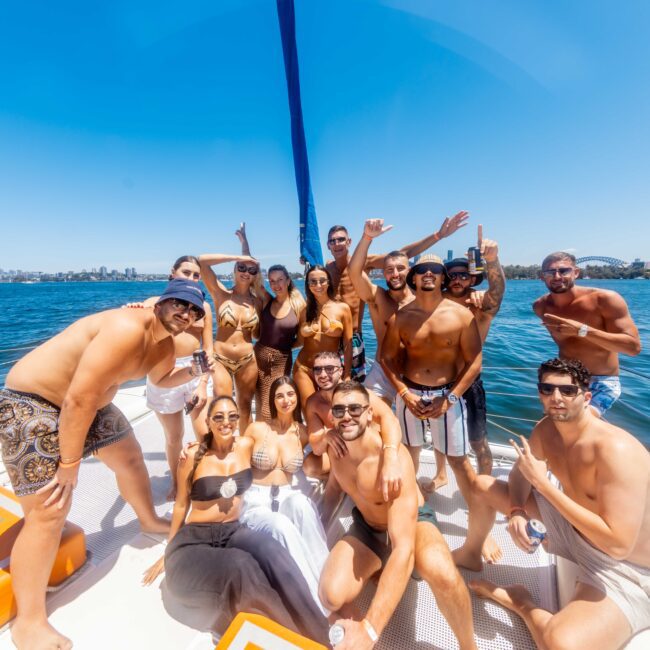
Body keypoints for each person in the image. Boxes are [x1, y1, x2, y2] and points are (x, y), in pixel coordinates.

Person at [0, 278, 208, 650]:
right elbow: (78, 398)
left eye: (194, 309)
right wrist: (70, 461)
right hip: (35, 402)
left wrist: (194, 370)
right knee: (50, 509)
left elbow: (160, 380)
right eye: (180, 303)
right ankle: (29, 623)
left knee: (129, 457)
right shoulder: (127, 328)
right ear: (160, 302)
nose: (187, 313)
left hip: (89, 404)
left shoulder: (164, 345)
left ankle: (147, 519)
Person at [454, 358, 650, 649]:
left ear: (586, 397)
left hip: (626, 568)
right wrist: (517, 511)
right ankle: (471, 554)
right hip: (574, 531)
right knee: (483, 485)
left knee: (560, 644)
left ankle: (522, 603)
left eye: (567, 391)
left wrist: (544, 485)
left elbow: (618, 544)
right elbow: (520, 476)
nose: (556, 397)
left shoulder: (616, 450)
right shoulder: (546, 430)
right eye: (548, 389)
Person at [142, 395, 328, 643]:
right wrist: (168, 550)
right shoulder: (193, 455)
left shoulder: (245, 446)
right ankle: (293, 642)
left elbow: (283, 434)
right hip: (194, 541)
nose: (225, 422)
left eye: (232, 416)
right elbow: (180, 507)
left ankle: (323, 636)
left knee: (273, 549)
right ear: (208, 421)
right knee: (241, 566)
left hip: (233, 531)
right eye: (218, 417)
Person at [319, 381, 478, 650]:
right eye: (339, 410)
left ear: (370, 413)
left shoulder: (392, 458)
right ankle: (376, 570)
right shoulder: (337, 448)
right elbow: (334, 490)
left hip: (411, 524)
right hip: (369, 527)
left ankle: (469, 646)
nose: (347, 416)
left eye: (355, 409)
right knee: (331, 596)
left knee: (443, 574)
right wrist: (315, 529)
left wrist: (371, 629)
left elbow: (403, 547)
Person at [381, 254, 501, 564]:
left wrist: (449, 398)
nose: (429, 274)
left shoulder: (461, 316)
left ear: (443, 278)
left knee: (461, 464)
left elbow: (475, 362)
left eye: (436, 270)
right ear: (414, 278)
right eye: (422, 270)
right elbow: (386, 359)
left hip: (448, 396)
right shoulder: (401, 317)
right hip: (410, 394)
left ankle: (478, 539)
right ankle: (404, 524)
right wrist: (404, 393)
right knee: (408, 457)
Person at [327, 212, 468, 382]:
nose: (337, 244)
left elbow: (402, 255)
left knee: (350, 387)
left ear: (349, 242)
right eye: (332, 241)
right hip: (329, 335)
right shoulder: (326, 270)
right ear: (328, 245)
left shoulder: (365, 262)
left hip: (352, 336)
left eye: (341, 239)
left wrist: (438, 235)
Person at [127, 255, 214, 500]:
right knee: (174, 437)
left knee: (204, 431)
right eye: (186, 272)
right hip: (163, 371)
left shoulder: (203, 308)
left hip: (195, 369)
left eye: (196, 275)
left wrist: (204, 384)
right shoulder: (153, 304)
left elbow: (208, 347)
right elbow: (132, 331)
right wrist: (131, 311)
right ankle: (177, 482)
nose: (192, 278)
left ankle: (205, 475)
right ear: (172, 272)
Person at [241, 376, 330, 614]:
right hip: (257, 498)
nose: (286, 399)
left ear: (297, 398)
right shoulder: (257, 428)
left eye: (290, 394)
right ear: (272, 400)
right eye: (279, 395)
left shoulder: (302, 432)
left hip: (288, 493)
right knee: (281, 526)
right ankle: (312, 603)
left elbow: (325, 451)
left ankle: (330, 587)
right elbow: (232, 451)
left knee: (303, 506)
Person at [432, 225, 505, 482]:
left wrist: (492, 260)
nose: (457, 280)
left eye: (463, 275)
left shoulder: (480, 305)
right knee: (439, 433)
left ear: (472, 278)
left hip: (469, 381)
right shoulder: (434, 303)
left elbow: (496, 294)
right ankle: (441, 475)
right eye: (451, 275)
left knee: (477, 440)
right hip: (438, 380)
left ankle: (485, 486)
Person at [532, 251, 641, 416]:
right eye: (550, 272)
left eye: (563, 271)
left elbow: (633, 347)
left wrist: (583, 330)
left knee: (575, 423)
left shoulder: (605, 299)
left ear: (576, 272)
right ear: (542, 276)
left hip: (601, 382)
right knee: (551, 427)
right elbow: (566, 345)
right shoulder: (541, 307)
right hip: (566, 379)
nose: (557, 276)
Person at [305, 351, 403, 525]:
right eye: (318, 370)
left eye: (329, 369)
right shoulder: (314, 402)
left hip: (369, 452)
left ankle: (347, 486)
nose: (323, 375)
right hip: (342, 454)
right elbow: (317, 448)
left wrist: (391, 457)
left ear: (340, 371)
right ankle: (344, 483)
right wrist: (327, 435)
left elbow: (390, 419)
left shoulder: (357, 393)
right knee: (310, 466)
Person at [234, 224, 306, 422]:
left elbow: (301, 339)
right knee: (257, 398)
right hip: (258, 355)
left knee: (275, 401)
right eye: (272, 281)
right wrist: (244, 244)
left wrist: (283, 349)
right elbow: (253, 275)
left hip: (281, 360)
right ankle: (260, 441)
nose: (276, 284)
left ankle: (279, 439)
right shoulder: (267, 300)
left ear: (288, 280)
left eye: (280, 280)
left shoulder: (299, 305)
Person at [198, 250, 263, 433]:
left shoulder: (258, 302)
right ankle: (221, 447)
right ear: (235, 269)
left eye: (251, 270)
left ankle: (244, 446)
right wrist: (238, 256)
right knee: (223, 405)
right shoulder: (220, 294)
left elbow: (257, 334)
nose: (246, 272)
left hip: (248, 360)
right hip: (221, 359)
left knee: (244, 406)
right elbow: (202, 261)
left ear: (256, 275)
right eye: (241, 267)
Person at [293, 265, 352, 406]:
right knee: (309, 410)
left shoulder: (342, 308)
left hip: (330, 370)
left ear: (329, 282)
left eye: (322, 280)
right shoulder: (304, 311)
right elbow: (299, 341)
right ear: (308, 285)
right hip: (304, 368)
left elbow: (348, 344)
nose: (318, 285)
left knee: (334, 412)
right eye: (313, 281)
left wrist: (347, 374)